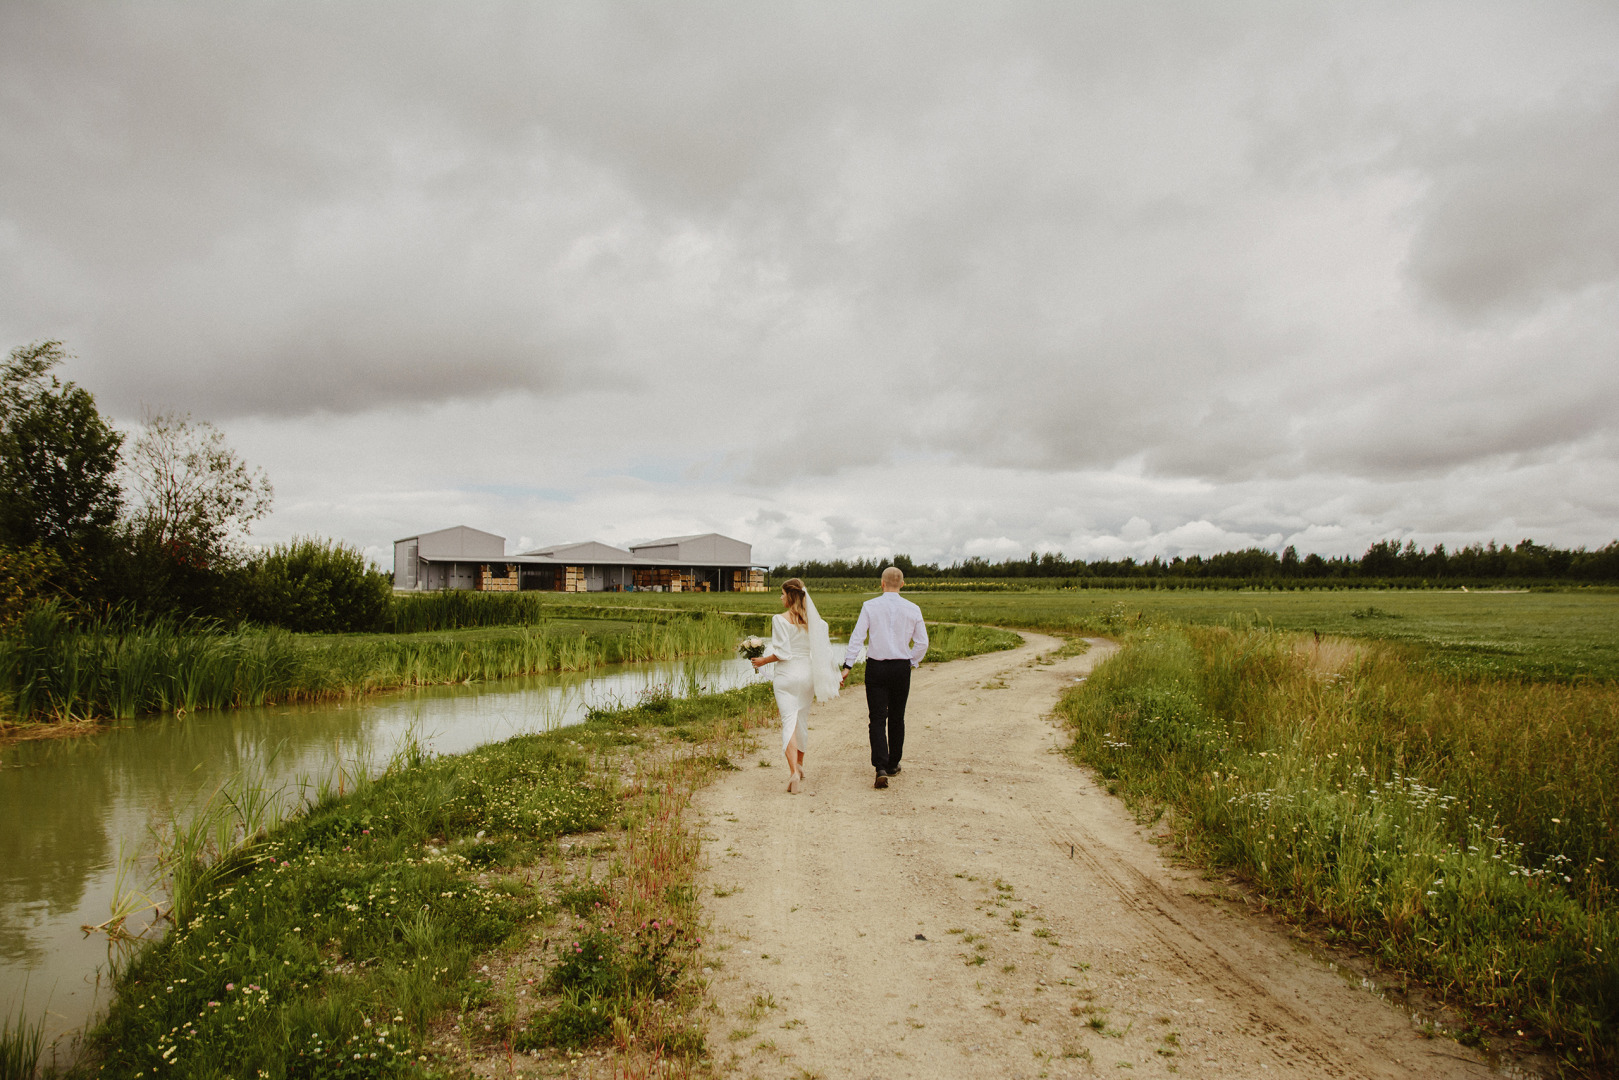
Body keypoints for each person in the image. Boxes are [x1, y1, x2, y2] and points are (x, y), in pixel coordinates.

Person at [840, 566, 928, 789]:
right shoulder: (913, 608)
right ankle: (893, 764)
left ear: (882, 583)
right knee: (897, 716)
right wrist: (911, 661)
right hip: (900, 667)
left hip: (876, 668)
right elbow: (922, 643)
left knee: (877, 718)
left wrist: (848, 665)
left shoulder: (869, 606)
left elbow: (857, 638)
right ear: (903, 583)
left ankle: (879, 766)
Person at [752, 577, 840, 793]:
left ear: (790, 596)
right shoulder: (817, 623)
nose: (780, 597)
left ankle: (793, 772)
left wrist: (762, 661)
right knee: (801, 720)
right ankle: (800, 765)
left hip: (787, 677)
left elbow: (782, 653)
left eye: (782, 594)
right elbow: (823, 652)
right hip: (808, 675)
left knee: (788, 721)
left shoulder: (780, 620)